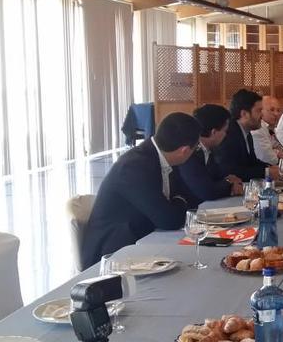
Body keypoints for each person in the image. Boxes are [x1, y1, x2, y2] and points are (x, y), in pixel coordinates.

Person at [82, 113, 200, 268]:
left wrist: (176, 203)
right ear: (184, 150)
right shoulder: (134, 166)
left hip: (145, 238)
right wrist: (178, 202)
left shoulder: (162, 157)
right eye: (195, 148)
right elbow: (169, 220)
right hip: (114, 253)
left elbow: (191, 197)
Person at [179, 104, 244, 202]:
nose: (226, 135)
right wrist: (229, 182)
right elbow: (207, 192)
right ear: (214, 132)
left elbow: (218, 177)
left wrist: (228, 180)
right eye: (225, 131)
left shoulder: (208, 149)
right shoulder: (191, 152)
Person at [214, 89, 279, 182]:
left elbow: (251, 162)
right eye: (259, 111)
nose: (262, 115)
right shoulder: (228, 134)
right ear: (244, 114)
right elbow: (230, 171)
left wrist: (271, 168)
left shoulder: (246, 132)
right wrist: (266, 172)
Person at [251, 95, 283, 165]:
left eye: (278, 110)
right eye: (272, 110)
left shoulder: (271, 128)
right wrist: (276, 153)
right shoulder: (257, 129)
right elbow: (269, 159)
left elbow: (281, 149)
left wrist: (275, 151)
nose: (276, 114)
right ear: (261, 111)